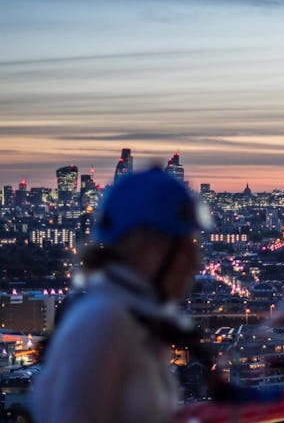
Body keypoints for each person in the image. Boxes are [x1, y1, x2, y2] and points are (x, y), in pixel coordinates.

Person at [31, 168, 210, 423]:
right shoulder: (104, 322)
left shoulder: (132, 315)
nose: (195, 262)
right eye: (186, 247)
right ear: (147, 247)